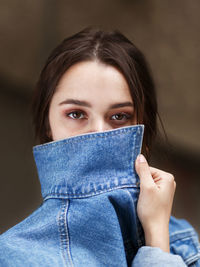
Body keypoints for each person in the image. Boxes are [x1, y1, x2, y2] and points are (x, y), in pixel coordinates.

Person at [0, 27, 199, 266]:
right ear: (47, 123)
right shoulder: (14, 256)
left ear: (142, 125)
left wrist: (157, 234)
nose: (99, 133)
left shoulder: (181, 241)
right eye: (76, 114)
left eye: (119, 117)